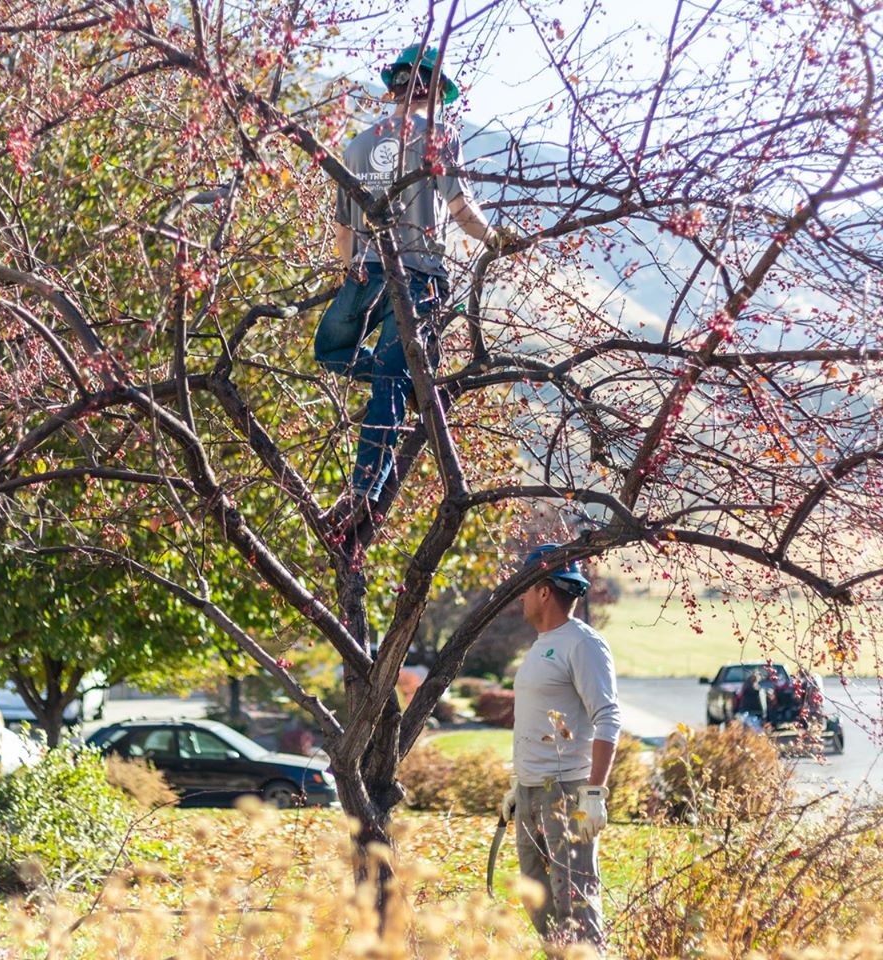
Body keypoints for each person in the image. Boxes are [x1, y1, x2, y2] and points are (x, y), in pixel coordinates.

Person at [315, 44, 509, 520]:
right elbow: (461, 209)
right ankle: (363, 492)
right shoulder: (440, 134)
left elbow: (343, 229)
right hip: (417, 276)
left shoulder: (357, 145)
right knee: (391, 380)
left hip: (366, 271)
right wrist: (498, 239)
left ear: (394, 89)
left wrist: (353, 267)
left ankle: (397, 381)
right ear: (435, 89)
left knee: (330, 351)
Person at [501, 545, 621, 952]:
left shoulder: (582, 643)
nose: (520, 597)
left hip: (566, 794)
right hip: (531, 792)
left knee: (576, 905)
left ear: (544, 591)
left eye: (525, 589)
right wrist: (519, 785)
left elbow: (607, 717)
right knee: (539, 902)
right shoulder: (541, 644)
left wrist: (593, 794)